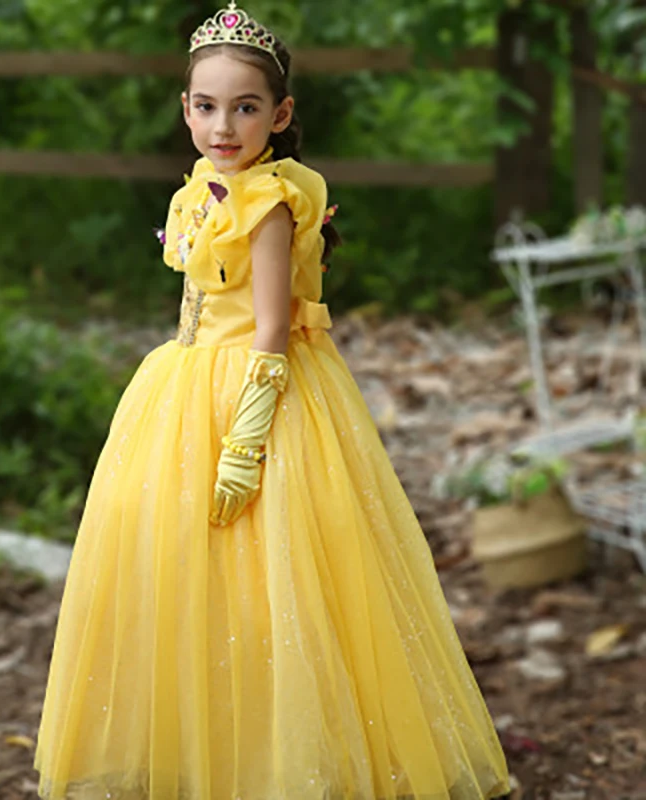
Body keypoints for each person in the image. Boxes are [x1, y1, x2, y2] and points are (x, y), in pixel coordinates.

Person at [33, 4, 512, 799]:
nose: (224, 126)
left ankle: (294, 759)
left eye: (245, 107)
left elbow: (270, 328)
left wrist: (246, 440)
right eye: (207, 106)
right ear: (185, 109)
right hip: (182, 386)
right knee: (190, 574)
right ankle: (212, 750)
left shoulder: (271, 204)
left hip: (260, 388)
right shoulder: (201, 188)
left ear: (280, 115)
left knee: (281, 576)